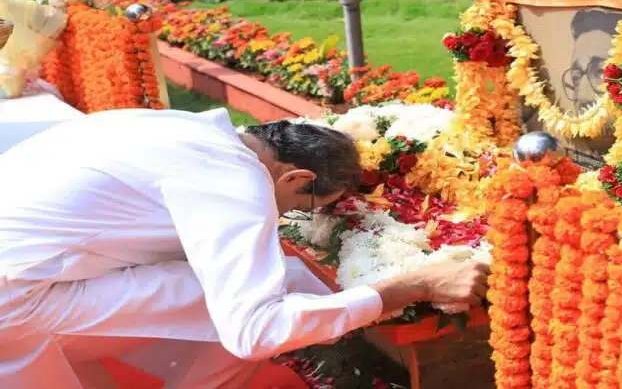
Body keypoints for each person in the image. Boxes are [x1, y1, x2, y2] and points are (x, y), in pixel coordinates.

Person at [0, 107, 489, 388]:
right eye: (299, 208)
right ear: (297, 177)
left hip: (27, 272)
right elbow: (256, 330)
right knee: (264, 305)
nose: (285, 220)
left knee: (264, 284)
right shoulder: (235, 178)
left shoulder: (190, 129)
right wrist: (407, 286)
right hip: (16, 295)